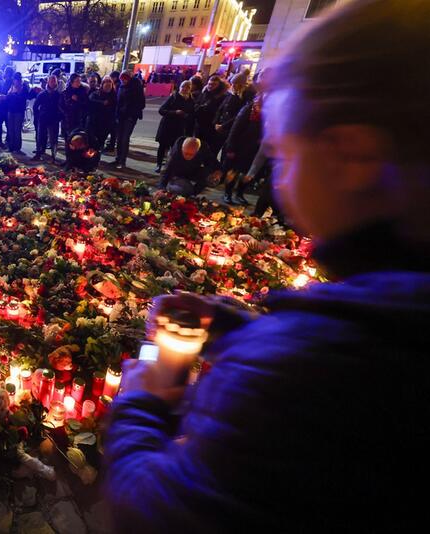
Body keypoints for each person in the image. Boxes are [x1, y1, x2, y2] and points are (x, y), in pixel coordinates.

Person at [106, 2, 430, 532]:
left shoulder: (302, 374)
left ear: (353, 156)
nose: (277, 179)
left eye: (282, 155)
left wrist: (141, 404)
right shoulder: (390, 320)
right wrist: (240, 330)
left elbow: (153, 511)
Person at [222, 92, 263, 205]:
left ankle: (240, 193)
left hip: (254, 149)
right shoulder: (248, 110)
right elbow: (235, 129)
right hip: (239, 146)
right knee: (233, 172)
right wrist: (230, 148)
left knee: (247, 173)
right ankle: (227, 193)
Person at [154, 80, 195, 173]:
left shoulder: (191, 100)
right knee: (162, 146)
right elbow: (161, 110)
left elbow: (192, 115)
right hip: (167, 126)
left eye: (187, 87)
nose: (184, 89)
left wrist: (186, 116)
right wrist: (175, 112)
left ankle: (170, 166)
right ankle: (159, 164)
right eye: (183, 87)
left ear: (190, 89)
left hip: (180, 128)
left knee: (176, 149)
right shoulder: (173, 97)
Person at [114, 70, 146, 168]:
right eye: (122, 79)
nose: (123, 81)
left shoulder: (136, 86)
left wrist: (130, 111)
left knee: (125, 138)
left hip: (130, 117)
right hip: (121, 116)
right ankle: (118, 158)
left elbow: (141, 103)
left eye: (125, 79)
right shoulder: (121, 86)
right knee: (119, 138)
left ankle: (122, 161)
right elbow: (118, 101)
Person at [32, 74, 62, 162]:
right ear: (48, 82)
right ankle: (39, 153)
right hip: (43, 118)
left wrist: (58, 117)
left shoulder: (58, 94)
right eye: (51, 80)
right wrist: (38, 116)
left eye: (54, 81)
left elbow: (61, 107)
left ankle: (53, 156)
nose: (53, 82)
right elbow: (35, 106)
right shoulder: (42, 94)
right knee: (40, 137)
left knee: (53, 139)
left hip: (54, 119)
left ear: (56, 82)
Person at [193, 74, 227, 150]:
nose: (210, 86)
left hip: (211, 128)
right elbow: (197, 104)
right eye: (209, 84)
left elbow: (220, 112)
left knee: (207, 148)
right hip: (199, 125)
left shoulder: (222, 97)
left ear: (219, 86)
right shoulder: (204, 93)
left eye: (213, 84)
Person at [87, 75, 117, 151]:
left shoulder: (114, 95)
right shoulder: (97, 93)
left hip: (107, 123)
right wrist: (102, 103)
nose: (107, 85)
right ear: (102, 84)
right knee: (93, 143)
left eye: (109, 83)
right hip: (96, 122)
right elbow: (90, 100)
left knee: (100, 143)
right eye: (105, 83)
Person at [4, 73, 30, 153]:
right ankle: (11, 147)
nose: (14, 81)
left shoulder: (23, 87)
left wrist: (11, 95)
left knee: (17, 130)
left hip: (19, 112)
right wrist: (6, 96)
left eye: (15, 79)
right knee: (10, 129)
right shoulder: (12, 87)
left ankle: (17, 147)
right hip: (10, 110)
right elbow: (8, 96)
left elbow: (22, 98)